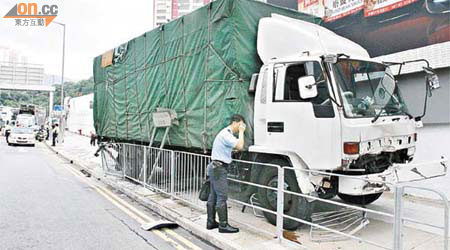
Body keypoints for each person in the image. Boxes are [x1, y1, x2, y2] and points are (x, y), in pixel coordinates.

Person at [206, 114, 246, 233]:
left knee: (213, 196)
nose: (241, 127)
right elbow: (240, 146)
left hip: (215, 167)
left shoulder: (224, 133)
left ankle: (210, 222)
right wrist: (242, 132)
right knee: (222, 197)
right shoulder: (227, 134)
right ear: (235, 122)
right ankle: (223, 226)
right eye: (240, 124)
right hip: (219, 169)